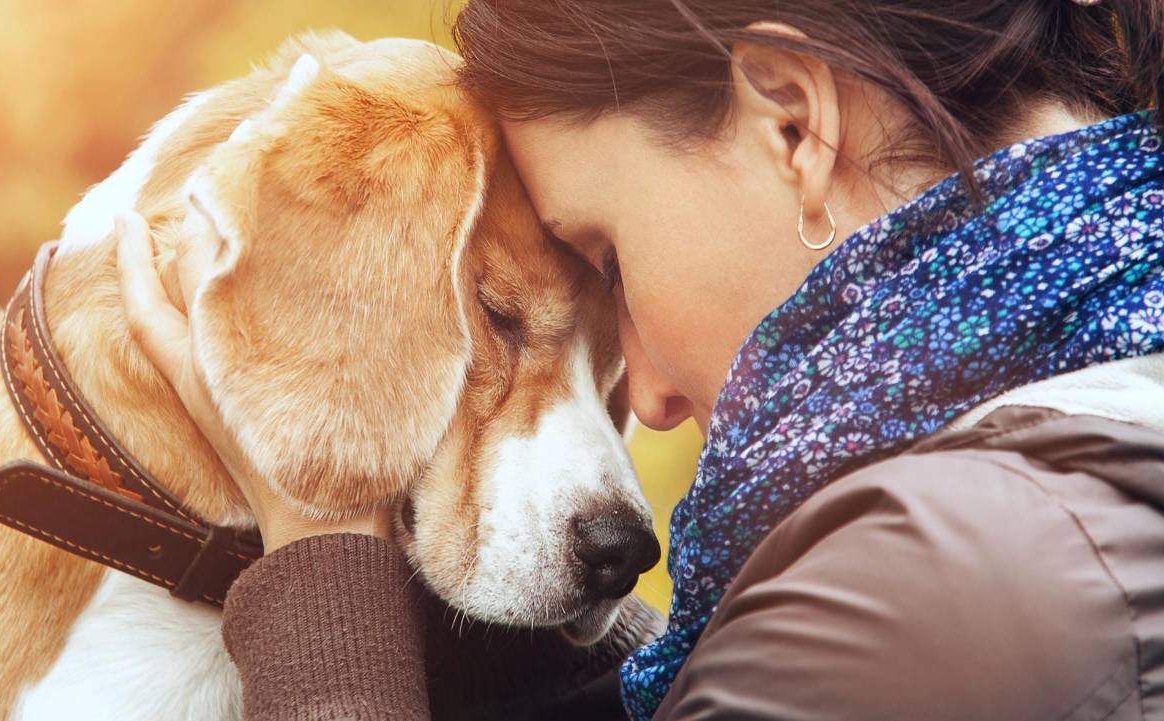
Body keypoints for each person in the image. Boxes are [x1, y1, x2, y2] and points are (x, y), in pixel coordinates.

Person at [117, 0, 1164, 718]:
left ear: (796, 125)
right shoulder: (1098, 427)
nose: (651, 402)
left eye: (608, 261)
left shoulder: (942, 587)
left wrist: (321, 570)